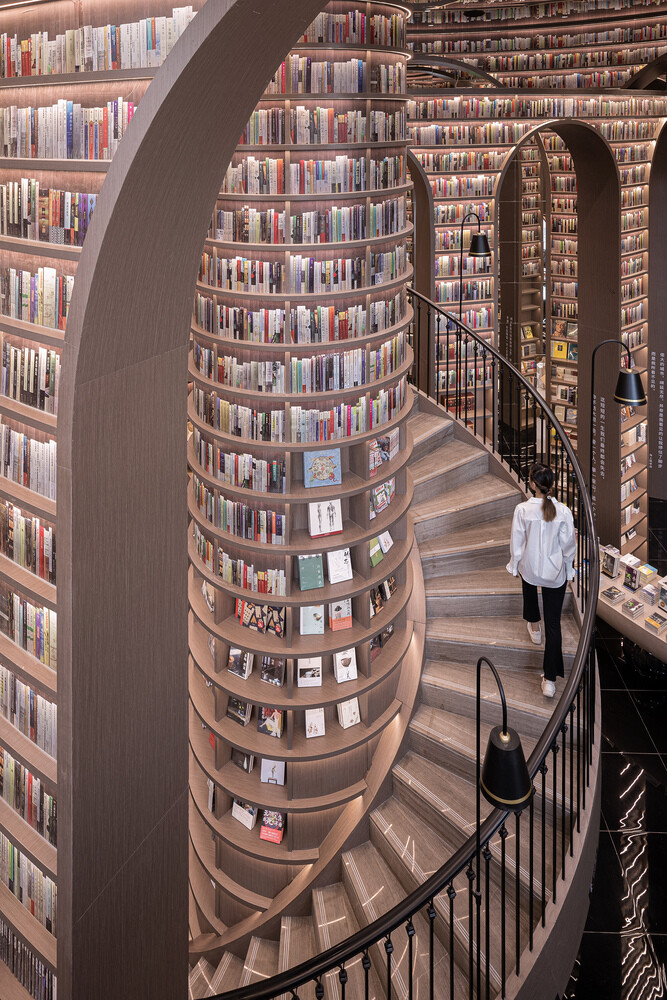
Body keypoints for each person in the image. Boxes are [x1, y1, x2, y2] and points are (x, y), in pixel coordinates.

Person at [506, 463, 576, 698]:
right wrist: (569, 571)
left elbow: (518, 543)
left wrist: (514, 564)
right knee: (554, 625)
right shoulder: (564, 511)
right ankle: (549, 680)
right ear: (551, 485)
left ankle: (534, 627)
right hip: (554, 574)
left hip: (531, 569)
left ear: (533, 485)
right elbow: (569, 547)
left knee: (527, 580)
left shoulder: (522, 510)